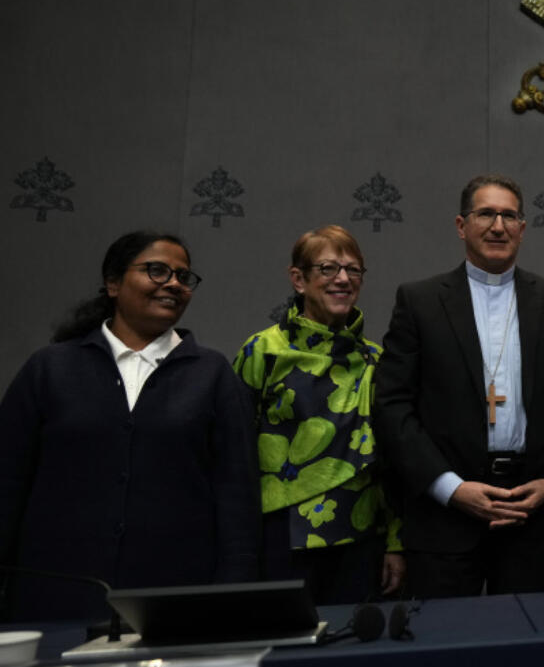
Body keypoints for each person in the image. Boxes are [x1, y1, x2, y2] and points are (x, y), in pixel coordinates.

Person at [0, 231, 259, 621]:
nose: (173, 283)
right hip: (55, 596)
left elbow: (237, 494)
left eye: (182, 277)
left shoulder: (212, 373)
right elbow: (7, 480)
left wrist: (232, 594)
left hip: (174, 600)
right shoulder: (50, 368)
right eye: (156, 271)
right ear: (113, 283)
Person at [372, 174, 544, 597]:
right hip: (444, 516)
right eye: (485, 214)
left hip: (533, 509)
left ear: (522, 229)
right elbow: (392, 406)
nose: (498, 226)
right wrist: (450, 488)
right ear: (461, 225)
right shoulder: (419, 301)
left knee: (530, 645)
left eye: (509, 216)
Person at [234, 225, 405, 604]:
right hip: (280, 534)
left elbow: (393, 462)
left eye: (354, 270)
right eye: (328, 268)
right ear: (299, 278)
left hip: (362, 535)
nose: (343, 279)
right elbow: (233, 455)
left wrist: (396, 543)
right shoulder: (262, 351)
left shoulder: (376, 360)